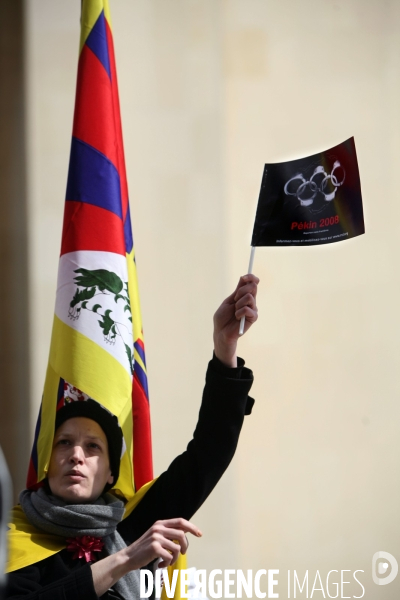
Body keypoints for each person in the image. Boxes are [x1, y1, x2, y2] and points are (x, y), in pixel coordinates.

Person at [6, 274, 259, 600]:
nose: (77, 455)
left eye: (93, 446)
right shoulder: (12, 541)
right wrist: (125, 559)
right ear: (47, 462)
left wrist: (225, 348)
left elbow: (210, 450)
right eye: (64, 442)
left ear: (111, 473)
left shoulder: (137, 521)